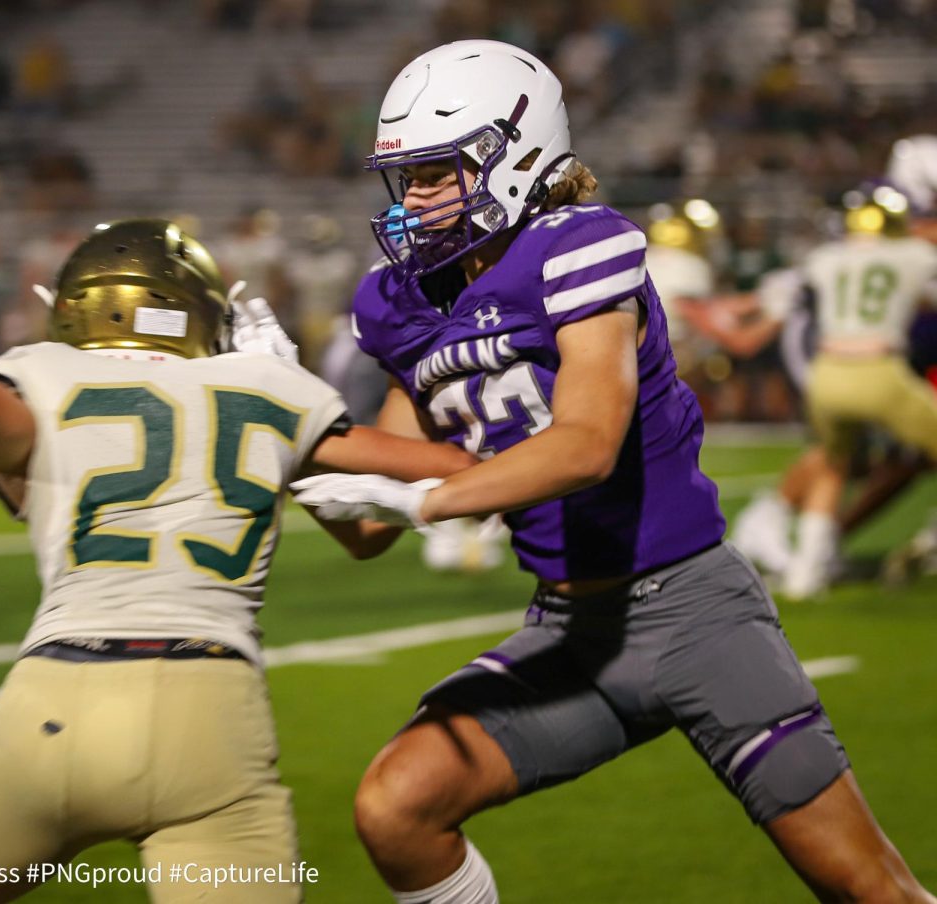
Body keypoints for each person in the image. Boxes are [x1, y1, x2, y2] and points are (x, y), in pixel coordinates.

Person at [291, 40, 934, 904]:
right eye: (404, 178)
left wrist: (430, 503)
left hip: (697, 614)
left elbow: (586, 442)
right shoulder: (401, 301)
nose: (414, 199)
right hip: (569, 630)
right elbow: (370, 522)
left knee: (871, 890)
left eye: (438, 172)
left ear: (515, 155)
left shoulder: (581, 247)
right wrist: (285, 424)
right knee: (396, 806)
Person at [0, 217, 474, 903]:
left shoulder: (46, 372)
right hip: (211, 720)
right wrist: (340, 390)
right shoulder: (269, 388)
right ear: (201, 311)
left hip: (51, 707)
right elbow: (438, 469)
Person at [780, 185, 937, 599]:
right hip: (880, 368)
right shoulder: (915, 255)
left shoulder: (826, 258)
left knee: (834, 467)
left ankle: (805, 573)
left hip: (827, 373)